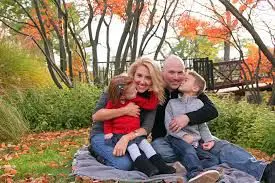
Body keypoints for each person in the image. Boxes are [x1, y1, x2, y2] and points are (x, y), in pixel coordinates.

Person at [151, 54, 275, 183]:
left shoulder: (189, 90)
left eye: (180, 72)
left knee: (220, 146)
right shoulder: (154, 89)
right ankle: (197, 165)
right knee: (157, 148)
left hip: (196, 137)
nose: (176, 77)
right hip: (167, 141)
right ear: (162, 71)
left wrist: (188, 118)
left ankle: (264, 170)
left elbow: (212, 111)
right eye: (171, 72)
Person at [89, 57, 167, 171]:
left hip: (131, 137)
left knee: (143, 160)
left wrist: (125, 138)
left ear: (153, 80)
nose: (142, 81)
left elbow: (146, 129)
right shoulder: (118, 87)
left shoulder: (152, 100)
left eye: (148, 78)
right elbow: (96, 116)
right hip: (105, 134)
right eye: (139, 75)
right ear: (133, 75)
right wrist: (125, 110)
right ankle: (97, 153)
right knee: (125, 164)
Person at [103, 75, 175, 176]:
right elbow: (107, 119)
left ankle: (162, 166)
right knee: (134, 150)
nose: (136, 92)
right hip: (119, 134)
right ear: (122, 95)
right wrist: (108, 132)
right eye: (133, 91)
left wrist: (153, 92)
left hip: (135, 133)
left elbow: (150, 105)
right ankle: (148, 169)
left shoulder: (134, 99)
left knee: (147, 146)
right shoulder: (112, 104)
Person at [165, 70, 220, 182]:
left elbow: (202, 126)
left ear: (195, 88)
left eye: (186, 80)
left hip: (195, 141)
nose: (181, 81)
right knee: (189, 151)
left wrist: (209, 139)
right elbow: (168, 126)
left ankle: (183, 166)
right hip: (176, 138)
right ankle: (195, 174)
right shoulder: (172, 103)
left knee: (213, 160)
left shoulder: (199, 104)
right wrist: (183, 135)